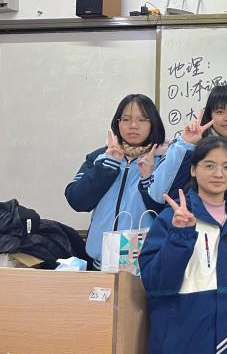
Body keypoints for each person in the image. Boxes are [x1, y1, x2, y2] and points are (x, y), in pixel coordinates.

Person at [139, 136, 227, 354]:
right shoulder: (172, 218)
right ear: (193, 169)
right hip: (181, 340)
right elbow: (156, 284)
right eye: (209, 166)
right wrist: (180, 236)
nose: (219, 174)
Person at [65, 94, 167, 269]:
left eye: (142, 119)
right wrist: (108, 166)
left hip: (146, 267)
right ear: (117, 123)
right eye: (126, 119)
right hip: (100, 265)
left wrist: (149, 177)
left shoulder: (164, 160)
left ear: (153, 123)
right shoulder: (100, 157)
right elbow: (77, 201)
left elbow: (167, 211)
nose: (133, 126)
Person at [155, 84, 227, 204]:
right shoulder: (194, 148)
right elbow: (160, 194)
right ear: (210, 116)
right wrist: (186, 145)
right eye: (220, 112)